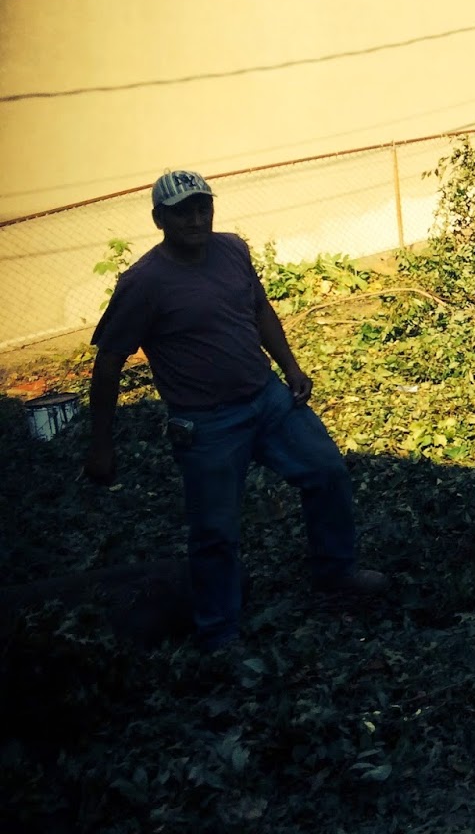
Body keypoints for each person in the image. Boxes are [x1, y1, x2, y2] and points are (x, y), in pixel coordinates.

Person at [85, 169, 385, 650]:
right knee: (215, 533)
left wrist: (290, 368)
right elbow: (109, 361)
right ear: (159, 218)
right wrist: (101, 444)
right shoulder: (143, 282)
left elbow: (260, 310)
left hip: (266, 399)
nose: (197, 218)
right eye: (183, 211)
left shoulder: (231, 249)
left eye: (203, 206)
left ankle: (336, 572)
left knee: (327, 471)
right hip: (207, 425)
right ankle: (218, 634)